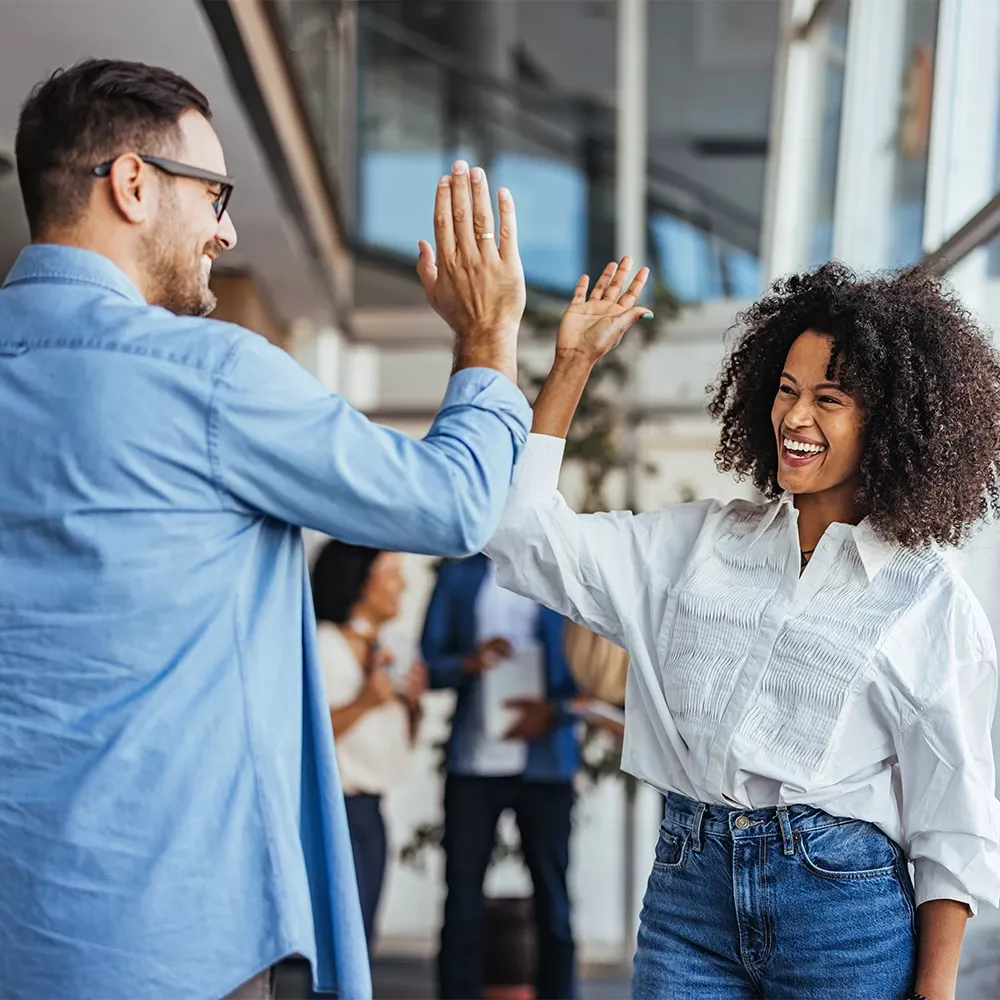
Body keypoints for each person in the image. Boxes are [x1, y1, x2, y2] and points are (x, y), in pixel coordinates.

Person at [0, 58, 530, 1000]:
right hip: (170, 933)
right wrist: (487, 341)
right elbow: (451, 503)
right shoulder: (206, 376)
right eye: (215, 193)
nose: (227, 229)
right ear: (132, 184)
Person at [474, 259, 1000, 1000]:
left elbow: (954, 816)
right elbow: (520, 533)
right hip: (691, 900)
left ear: (889, 422)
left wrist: (936, 988)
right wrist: (570, 365)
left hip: (843, 913)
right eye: (785, 390)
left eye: (829, 398)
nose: (794, 417)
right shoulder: (697, 547)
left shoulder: (928, 601)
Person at [421, 553, 581, 1000]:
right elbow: (430, 663)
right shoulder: (459, 573)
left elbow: (593, 669)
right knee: (462, 901)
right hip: (474, 764)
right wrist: (467, 664)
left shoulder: (559, 567)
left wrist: (555, 712)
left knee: (554, 902)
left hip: (545, 765)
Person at [311, 540, 427, 953]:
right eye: (391, 574)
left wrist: (412, 704)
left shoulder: (387, 648)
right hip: (336, 810)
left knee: (361, 940)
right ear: (361, 583)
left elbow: (399, 741)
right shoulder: (324, 646)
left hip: (371, 813)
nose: (402, 586)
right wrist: (365, 702)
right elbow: (307, 735)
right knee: (341, 943)